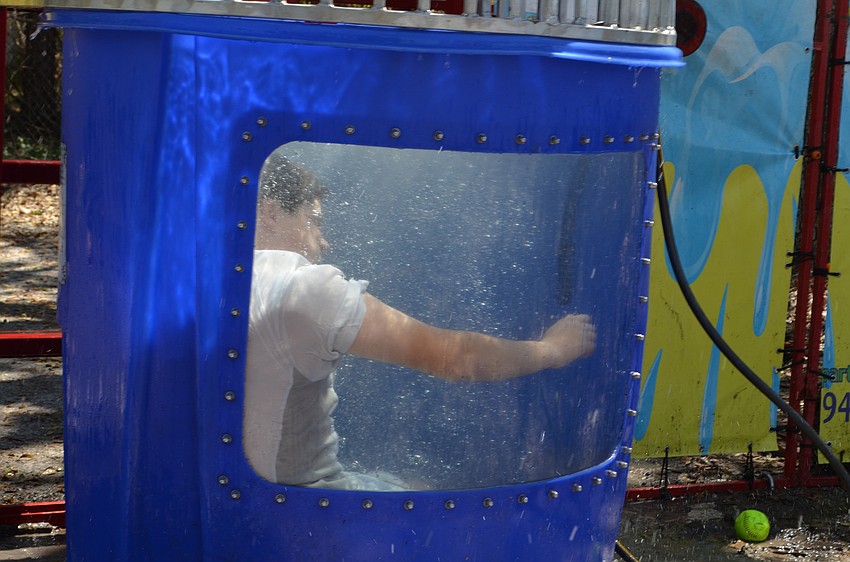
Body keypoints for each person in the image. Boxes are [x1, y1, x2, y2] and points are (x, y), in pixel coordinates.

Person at [244, 152, 597, 491]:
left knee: (410, 485)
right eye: (314, 220)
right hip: (309, 502)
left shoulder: (204, 281)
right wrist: (554, 348)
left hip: (248, 499)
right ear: (271, 212)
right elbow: (456, 359)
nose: (324, 241)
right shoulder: (301, 287)